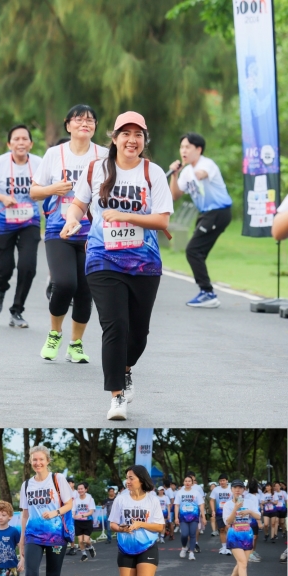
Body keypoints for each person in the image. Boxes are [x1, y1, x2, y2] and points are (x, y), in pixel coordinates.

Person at [61, 111, 173, 420]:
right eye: (126, 133)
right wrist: (71, 219)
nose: (132, 140)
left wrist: (125, 216)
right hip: (102, 257)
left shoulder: (153, 173)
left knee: (138, 333)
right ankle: (116, 396)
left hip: (144, 262)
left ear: (144, 140)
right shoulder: (97, 168)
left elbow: (162, 220)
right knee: (115, 325)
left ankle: (125, 369)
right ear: (114, 138)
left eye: (138, 134)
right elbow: (79, 203)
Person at [31, 105, 108, 358]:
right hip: (59, 230)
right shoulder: (54, 154)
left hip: (93, 233)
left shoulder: (104, 155)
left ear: (95, 126)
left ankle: (76, 344)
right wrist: (53, 189)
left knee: (85, 290)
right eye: (79, 119)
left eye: (90, 120)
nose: (85, 123)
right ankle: (55, 333)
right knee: (64, 284)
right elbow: (34, 191)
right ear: (68, 125)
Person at [0, 125, 45, 328]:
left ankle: (17, 310)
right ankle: (0, 289)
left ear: (31, 144)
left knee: (28, 266)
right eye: (16, 139)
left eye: (25, 139)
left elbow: (48, 187)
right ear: (9, 144)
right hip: (2, 222)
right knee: (4, 268)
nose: (21, 143)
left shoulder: (39, 163)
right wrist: (2, 198)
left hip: (29, 221)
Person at [168, 133, 233, 307]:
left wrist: (196, 174)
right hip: (206, 215)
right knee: (197, 252)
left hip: (218, 212)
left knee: (192, 250)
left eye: (187, 147)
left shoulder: (207, 164)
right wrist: (174, 175)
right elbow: (175, 195)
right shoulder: (186, 172)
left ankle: (208, 293)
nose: (183, 151)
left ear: (198, 149)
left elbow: (202, 174)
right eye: (182, 147)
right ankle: (207, 292)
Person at [18, 445, 74, 576]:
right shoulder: (26, 485)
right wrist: (21, 539)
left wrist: (55, 512)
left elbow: (69, 504)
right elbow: (25, 514)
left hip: (56, 536)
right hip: (33, 535)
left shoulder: (57, 479)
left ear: (47, 461)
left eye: (41, 459)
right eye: (34, 460)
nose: (38, 463)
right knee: (30, 575)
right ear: (30, 462)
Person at [109, 464, 164, 576]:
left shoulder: (152, 500)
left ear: (141, 479)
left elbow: (160, 527)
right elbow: (113, 524)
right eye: (127, 477)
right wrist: (122, 528)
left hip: (147, 547)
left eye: (131, 477)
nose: (128, 481)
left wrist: (141, 524)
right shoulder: (121, 499)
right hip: (126, 548)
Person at [222, 479, 261, 576]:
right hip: (234, 534)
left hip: (247, 534)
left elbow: (258, 516)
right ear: (231, 490)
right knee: (243, 562)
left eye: (240, 487)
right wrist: (235, 509)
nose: (237, 490)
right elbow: (227, 522)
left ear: (244, 490)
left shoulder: (250, 502)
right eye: (235, 488)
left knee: (242, 562)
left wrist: (248, 511)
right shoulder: (228, 505)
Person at [173, 474, 205, 561]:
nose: (187, 483)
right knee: (184, 534)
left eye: (189, 481)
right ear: (183, 482)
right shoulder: (180, 492)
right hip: (183, 517)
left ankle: (191, 552)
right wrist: (176, 517)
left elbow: (201, 505)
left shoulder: (196, 493)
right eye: (186, 481)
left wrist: (203, 517)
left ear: (192, 482)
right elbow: (176, 505)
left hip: (194, 517)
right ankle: (184, 547)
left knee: (192, 534)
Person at [72, 482, 97, 560]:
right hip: (78, 522)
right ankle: (84, 554)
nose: (80, 490)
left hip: (87, 522)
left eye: (82, 489)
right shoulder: (75, 500)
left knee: (86, 540)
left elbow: (91, 511)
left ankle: (90, 547)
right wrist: (73, 515)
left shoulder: (90, 499)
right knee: (80, 541)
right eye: (78, 489)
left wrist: (82, 515)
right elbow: (73, 511)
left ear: (86, 489)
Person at [211, 475, 234, 555]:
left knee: (228, 529)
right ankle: (224, 547)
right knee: (221, 529)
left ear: (227, 480)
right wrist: (213, 510)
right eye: (220, 481)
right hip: (219, 512)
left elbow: (237, 498)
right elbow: (212, 500)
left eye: (223, 480)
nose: (222, 482)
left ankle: (229, 547)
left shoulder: (231, 489)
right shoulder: (216, 490)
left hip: (230, 513)